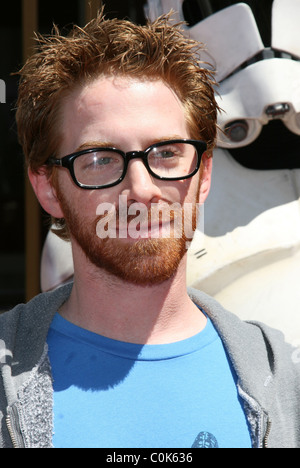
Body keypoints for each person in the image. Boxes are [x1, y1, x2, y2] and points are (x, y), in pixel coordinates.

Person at [0, 12, 299, 449]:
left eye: (167, 153)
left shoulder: (285, 383)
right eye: (100, 159)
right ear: (47, 187)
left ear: (205, 175)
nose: (140, 190)